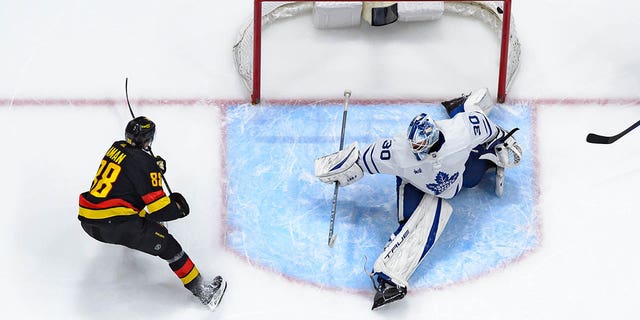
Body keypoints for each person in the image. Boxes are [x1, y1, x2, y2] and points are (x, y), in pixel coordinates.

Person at [314, 88, 522, 310]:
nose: (416, 152)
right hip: (415, 186)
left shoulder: (460, 132)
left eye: (421, 148)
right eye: (414, 147)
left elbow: (486, 127)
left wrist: (501, 140)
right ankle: (389, 278)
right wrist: (337, 167)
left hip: (459, 180)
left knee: (476, 173)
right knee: (413, 224)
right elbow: (362, 158)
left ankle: (464, 103)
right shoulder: (397, 151)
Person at [78, 116, 226, 310]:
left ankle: (131, 238)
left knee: (134, 209)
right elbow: (160, 211)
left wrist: (152, 168)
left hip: (88, 220)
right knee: (170, 247)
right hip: (115, 226)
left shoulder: (116, 147)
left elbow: (129, 172)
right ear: (149, 139)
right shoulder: (145, 164)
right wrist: (179, 209)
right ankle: (204, 292)